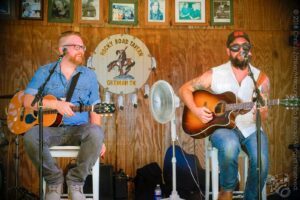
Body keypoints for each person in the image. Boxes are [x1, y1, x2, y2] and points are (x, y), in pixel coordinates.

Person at [178, 31, 269, 200]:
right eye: (235, 47)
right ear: (228, 51)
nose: (240, 50)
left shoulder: (261, 79)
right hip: (223, 128)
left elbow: (264, 117)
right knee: (229, 146)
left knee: (262, 162)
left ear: (250, 51)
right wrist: (197, 110)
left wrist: (262, 111)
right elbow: (184, 89)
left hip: (251, 128)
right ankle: (227, 189)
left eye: (245, 47)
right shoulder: (215, 73)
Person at [23, 31, 106, 200]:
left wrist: (99, 140)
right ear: (62, 50)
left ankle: (75, 182)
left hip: (79, 130)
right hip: (50, 130)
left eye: (82, 47)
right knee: (31, 135)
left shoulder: (89, 76)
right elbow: (27, 100)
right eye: (76, 46)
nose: (81, 50)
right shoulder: (44, 72)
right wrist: (55, 105)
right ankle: (54, 180)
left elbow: (96, 108)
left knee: (96, 133)